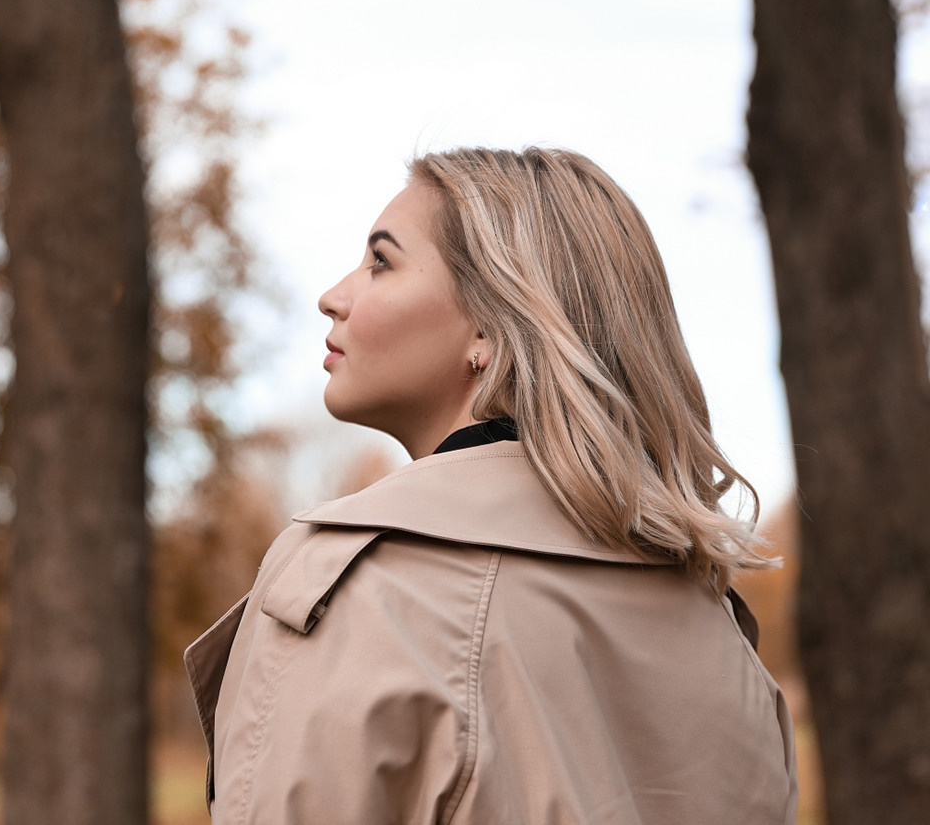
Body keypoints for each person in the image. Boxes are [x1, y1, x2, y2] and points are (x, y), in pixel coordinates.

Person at [185, 146, 797, 824]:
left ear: (490, 327)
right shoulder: (719, 632)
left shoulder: (354, 584)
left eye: (381, 261)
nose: (334, 295)